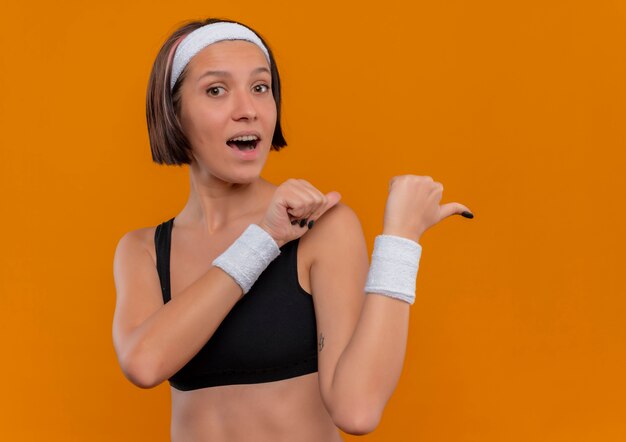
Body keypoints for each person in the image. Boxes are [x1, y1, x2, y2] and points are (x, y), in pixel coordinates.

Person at [112, 17, 473, 441]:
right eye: (216, 90)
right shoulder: (144, 250)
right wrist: (265, 239)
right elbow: (144, 364)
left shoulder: (324, 229)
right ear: (174, 113)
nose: (247, 108)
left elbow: (357, 410)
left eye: (260, 87)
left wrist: (401, 240)